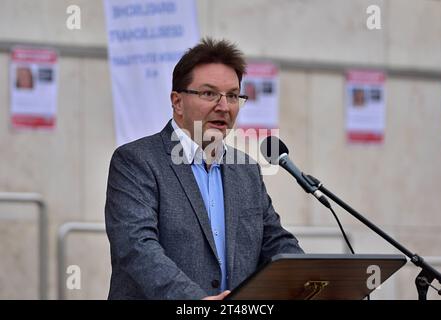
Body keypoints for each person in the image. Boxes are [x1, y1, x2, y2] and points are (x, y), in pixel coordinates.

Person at [105, 38, 303, 300]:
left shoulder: (247, 170)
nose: (224, 107)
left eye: (232, 95)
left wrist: (311, 276)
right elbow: (136, 247)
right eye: (209, 93)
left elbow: (275, 243)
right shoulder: (136, 161)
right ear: (177, 102)